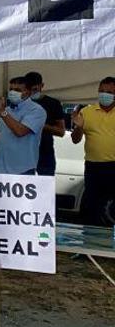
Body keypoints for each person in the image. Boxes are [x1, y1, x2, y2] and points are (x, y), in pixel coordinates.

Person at [70, 77, 115, 226]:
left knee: (112, 210)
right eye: (101, 91)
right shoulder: (87, 111)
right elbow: (75, 140)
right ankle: (91, 243)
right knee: (92, 206)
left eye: (109, 92)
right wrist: (79, 126)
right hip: (93, 167)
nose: (104, 94)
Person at [0, 77, 47, 175]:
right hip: (1, 169)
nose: (12, 92)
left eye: (17, 90)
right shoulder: (8, 110)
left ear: (27, 92)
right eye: (11, 89)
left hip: (22, 170)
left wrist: (2, 112)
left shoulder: (37, 111)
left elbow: (20, 131)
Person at [25, 71, 66, 176]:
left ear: (42, 86)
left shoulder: (53, 103)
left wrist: (41, 125)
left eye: (34, 89)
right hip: (24, 153)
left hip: (45, 152)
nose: (31, 92)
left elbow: (61, 131)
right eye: (28, 89)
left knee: (46, 188)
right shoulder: (21, 103)